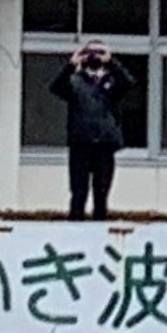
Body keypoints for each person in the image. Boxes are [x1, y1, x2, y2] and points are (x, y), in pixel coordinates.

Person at [54, 40, 129, 218]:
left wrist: (112, 62)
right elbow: (56, 87)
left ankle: (99, 231)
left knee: (101, 193)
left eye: (99, 52)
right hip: (80, 144)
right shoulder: (75, 80)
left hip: (105, 144)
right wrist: (71, 64)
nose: (94, 56)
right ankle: (75, 229)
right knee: (79, 192)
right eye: (90, 52)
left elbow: (129, 82)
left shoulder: (112, 80)